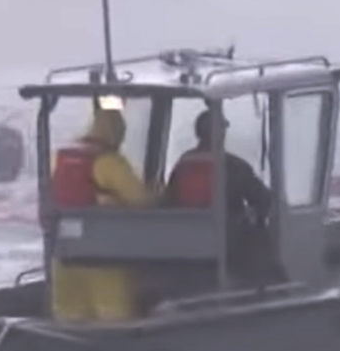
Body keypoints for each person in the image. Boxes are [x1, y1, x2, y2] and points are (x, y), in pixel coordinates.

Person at [46, 99, 153, 322]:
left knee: (69, 317)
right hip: (106, 255)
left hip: (64, 254)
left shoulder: (58, 157)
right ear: (116, 133)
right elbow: (141, 201)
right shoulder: (109, 161)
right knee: (114, 318)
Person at [163, 110, 282, 283]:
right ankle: (263, 287)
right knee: (259, 237)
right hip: (227, 242)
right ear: (221, 133)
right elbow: (264, 200)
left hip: (185, 240)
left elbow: (170, 199)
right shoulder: (234, 166)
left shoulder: (184, 163)